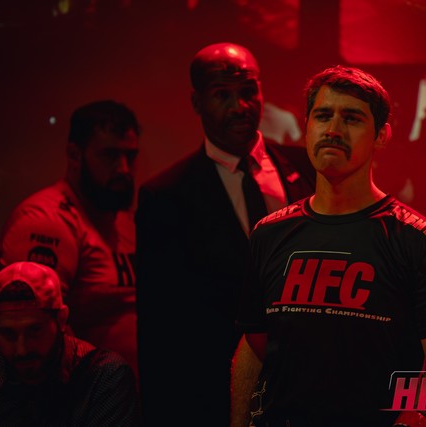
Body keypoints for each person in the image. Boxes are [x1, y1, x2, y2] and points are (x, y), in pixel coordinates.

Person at [231, 65, 426, 427]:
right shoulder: (269, 234)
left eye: (352, 118)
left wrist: (419, 418)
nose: (333, 129)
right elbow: (253, 347)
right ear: (307, 127)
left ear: (381, 136)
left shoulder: (420, 239)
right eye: (323, 116)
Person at [134, 42, 315, 426]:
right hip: (213, 393)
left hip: (311, 387)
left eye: (248, 91)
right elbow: (160, 328)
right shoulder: (165, 197)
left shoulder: (309, 170)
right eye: (222, 95)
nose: (239, 107)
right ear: (196, 102)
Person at [0, 99, 141, 379]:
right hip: (84, 396)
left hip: (128, 392)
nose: (123, 168)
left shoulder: (122, 218)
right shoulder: (46, 220)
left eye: (130, 156)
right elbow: (31, 335)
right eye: (110, 155)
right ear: (74, 155)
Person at [0, 261, 140, 426]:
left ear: (61, 319)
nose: (22, 350)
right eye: (8, 334)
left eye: (35, 330)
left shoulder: (101, 378)